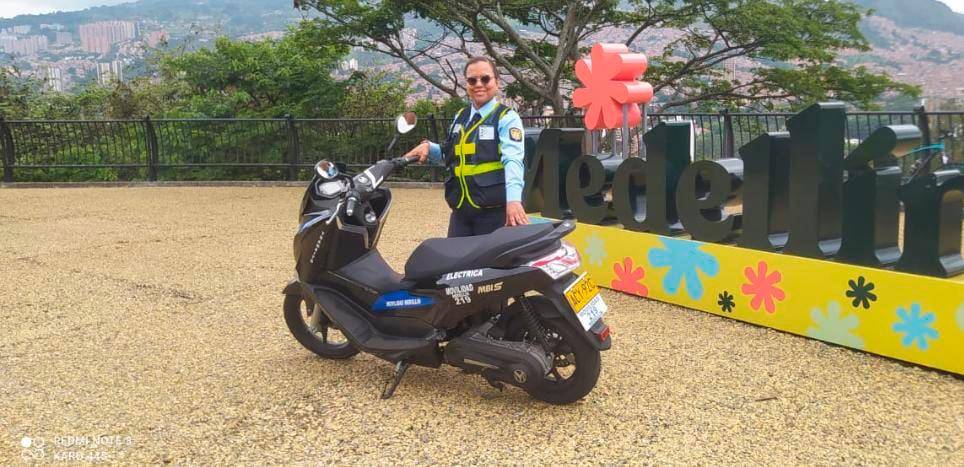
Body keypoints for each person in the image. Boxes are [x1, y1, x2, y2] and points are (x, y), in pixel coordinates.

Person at [404, 56, 529, 237]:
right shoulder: (460, 117)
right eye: (472, 80)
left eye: (485, 79)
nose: (479, 84)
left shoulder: (506, 118)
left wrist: (514, 201)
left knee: (491, 265)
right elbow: (452, 156)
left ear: (497, 82)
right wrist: (429, 148)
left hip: (494, 212)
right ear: (466, 84)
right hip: (461, 212)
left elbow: (513, 161)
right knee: (455, 264)